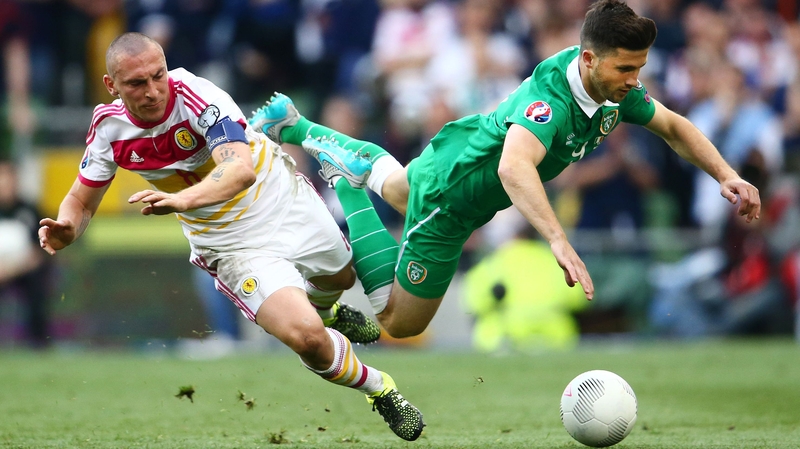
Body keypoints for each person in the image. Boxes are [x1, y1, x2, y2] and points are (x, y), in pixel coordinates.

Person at [249, 0, 761, 340]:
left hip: (458, 149)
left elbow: (673, 126)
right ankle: (347, 186)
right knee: (400, 322)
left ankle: (299, 127)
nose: (635, 79)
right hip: (454, 194)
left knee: (403, 188)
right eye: (626, 68)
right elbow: (517, 169)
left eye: (640, 67)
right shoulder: (551, 103)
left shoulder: (610, 88)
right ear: (588, 59)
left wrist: (726, 174)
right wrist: (558, 240)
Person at [37, 32, 424, 441]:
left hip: (279, 198)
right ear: (112, 85)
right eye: (136, 83)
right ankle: (380, 389)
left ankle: (327, 309)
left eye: (158, 76)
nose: (152, 91)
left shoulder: (199, 96)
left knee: (342, 278)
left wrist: (182, 199)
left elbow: (239, 170)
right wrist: (67, 227)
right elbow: (80, 201)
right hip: (230, 245)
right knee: (307, 338)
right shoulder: (108, 129)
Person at [0, 160, 51, 348]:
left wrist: (12, 269)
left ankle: (38, 343)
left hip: (22, 270)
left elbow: (39, 251)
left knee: (37, 285)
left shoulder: (30, 211)